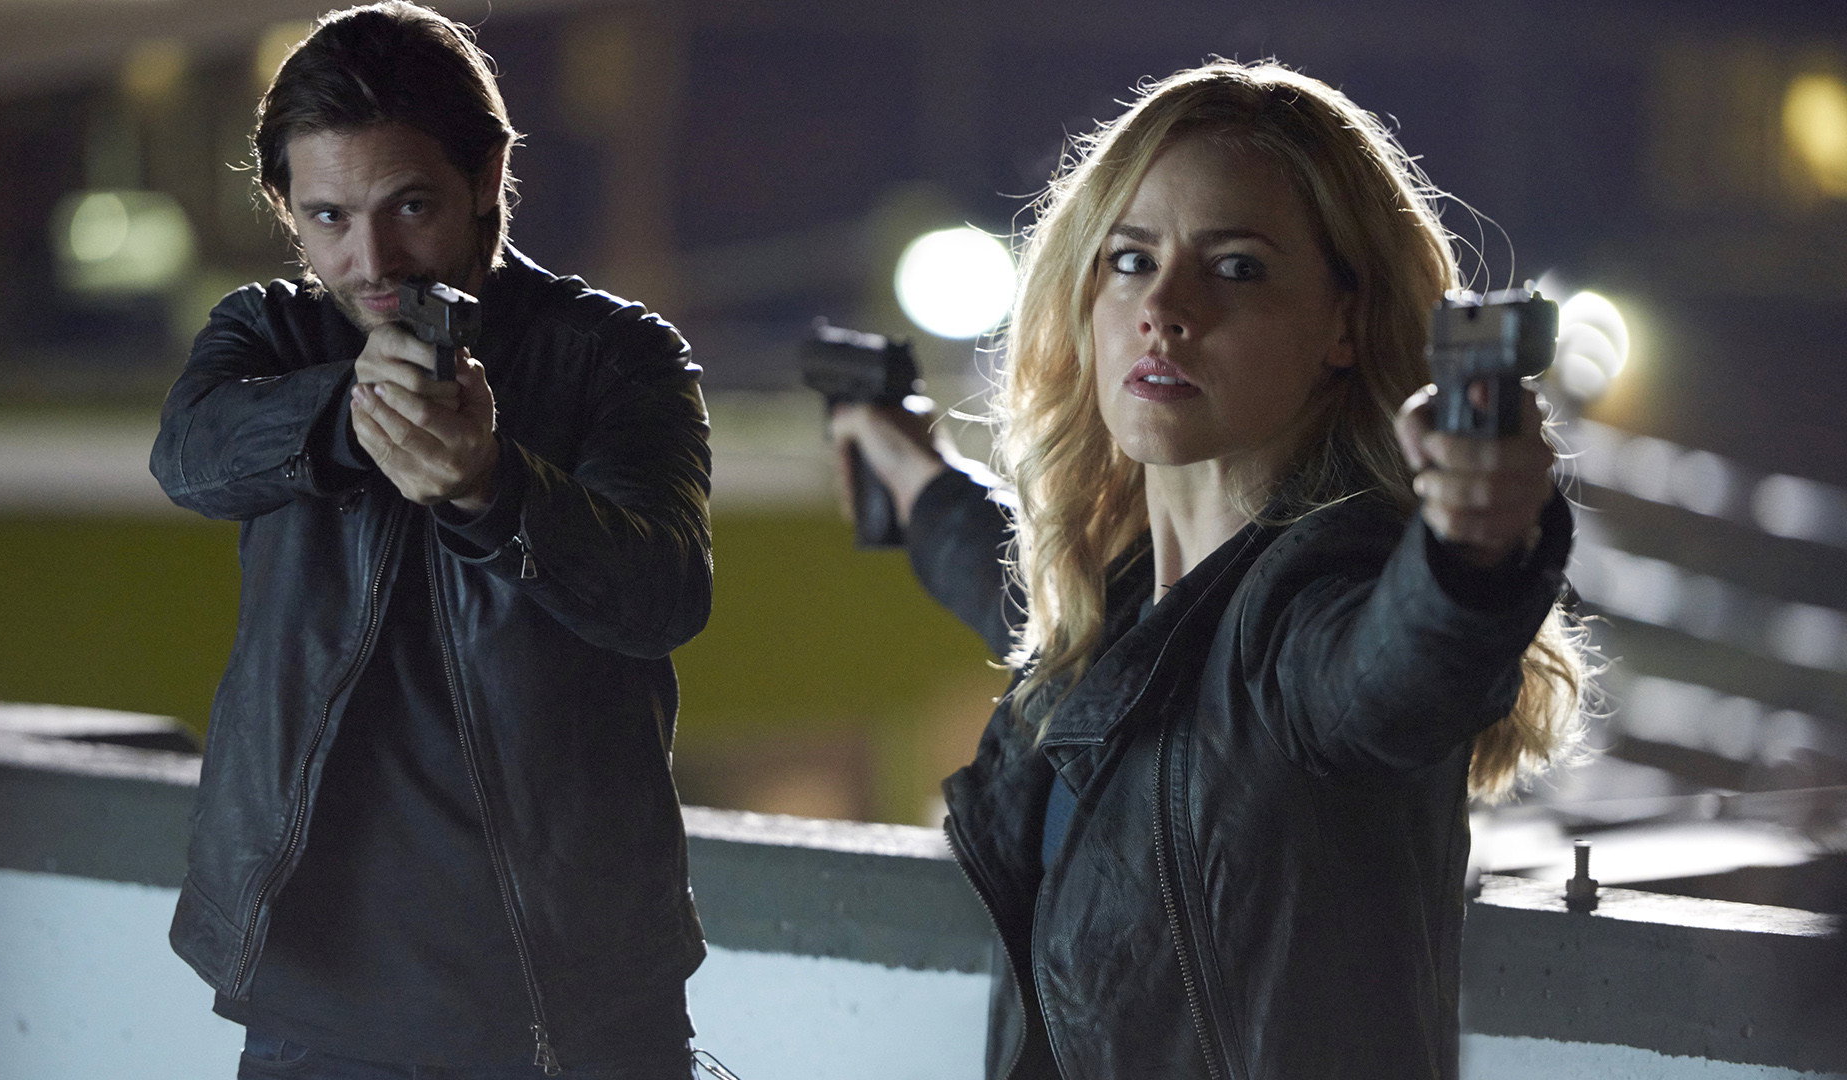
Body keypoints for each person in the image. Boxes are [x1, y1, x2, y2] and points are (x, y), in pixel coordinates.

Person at [832, 60, 1590, 1079]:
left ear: (1343, 324)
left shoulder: (1314, 605)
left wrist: (1472, 548)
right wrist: (909, 472)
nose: (1164, 306)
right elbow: (1014, 586)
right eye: (1131, 259)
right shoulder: (1116, 606)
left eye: (1236, 268)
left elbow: (1393, 664)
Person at [149, 4, 712, 1077]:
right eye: (327, 217)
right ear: (284, 206)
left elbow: (665, 592)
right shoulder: (272, 332)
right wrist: (344, 410)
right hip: (319, 996)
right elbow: (187, 456)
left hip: (570, 994)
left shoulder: (617, 355)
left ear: (488, 175)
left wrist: (493, 489)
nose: (371, 260)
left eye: (409, 206)